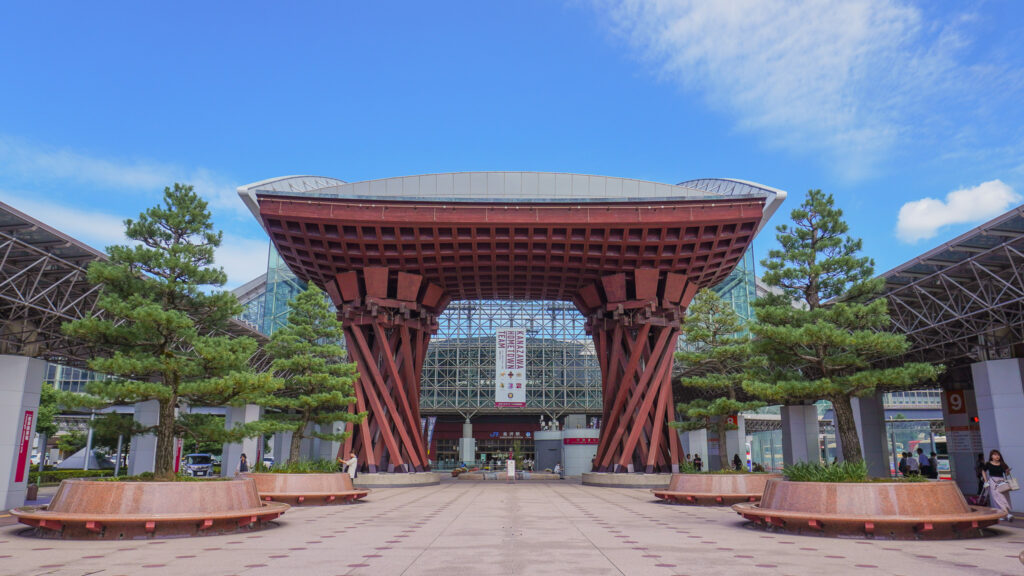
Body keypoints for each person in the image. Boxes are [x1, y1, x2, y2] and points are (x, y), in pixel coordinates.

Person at [982, 449, 1013, 521]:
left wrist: (1007, 471)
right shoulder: (988, 464)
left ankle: (1001, 514)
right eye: (995, 455)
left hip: (1002, 482)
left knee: (1004, 497)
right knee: (997, 498)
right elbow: (983, 471)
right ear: (991, 456)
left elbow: (1007, 474)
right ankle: (1007, 514)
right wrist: (986, 480)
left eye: (998, 455)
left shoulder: (1003, 464)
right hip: (993, 482)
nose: (997, 456)